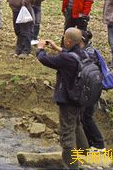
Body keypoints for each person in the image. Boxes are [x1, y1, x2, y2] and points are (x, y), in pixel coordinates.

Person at [36, 28, 89, 169]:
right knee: (76, 124)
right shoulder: (84, 53)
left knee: (67, 133)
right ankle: (85, 155)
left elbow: (44, 59)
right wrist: (57, 48)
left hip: (68, 100)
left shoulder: (66, 59)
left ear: (68, 41)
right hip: (81, 98)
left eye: (65, 39)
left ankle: (71, 166)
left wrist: (40, 48)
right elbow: (71, 54)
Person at [79, 30, 106, 150]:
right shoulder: (86, 50)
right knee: (84, 116)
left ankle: (99, 144)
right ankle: (90, 144)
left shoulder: (89, 53)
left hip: (92, 91)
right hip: (89, 90)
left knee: (87, 116)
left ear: (80, 41)